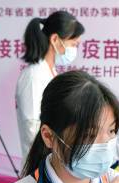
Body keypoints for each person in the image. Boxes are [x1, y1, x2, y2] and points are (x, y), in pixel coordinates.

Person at [15, 11, 84, 161]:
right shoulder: (33, 75)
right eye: (73, 44)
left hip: (55, 158)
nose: (74, 50)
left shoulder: (51, 72)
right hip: (39, 162)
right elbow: (31, 127)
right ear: (55, 39)